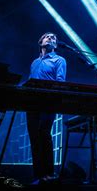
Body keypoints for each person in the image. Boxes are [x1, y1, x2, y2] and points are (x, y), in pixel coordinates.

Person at [27, 32, 66, 183]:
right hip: (31, 102)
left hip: (48, 101)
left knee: (44, 134)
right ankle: (37, 175)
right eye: (47, 36)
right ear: (40, 42)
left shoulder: (59, 60)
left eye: (53, 38)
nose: (50, 38)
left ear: (55, 45)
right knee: (34, 138)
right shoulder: (34, 62)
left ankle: (48, 173)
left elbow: (60, 81)